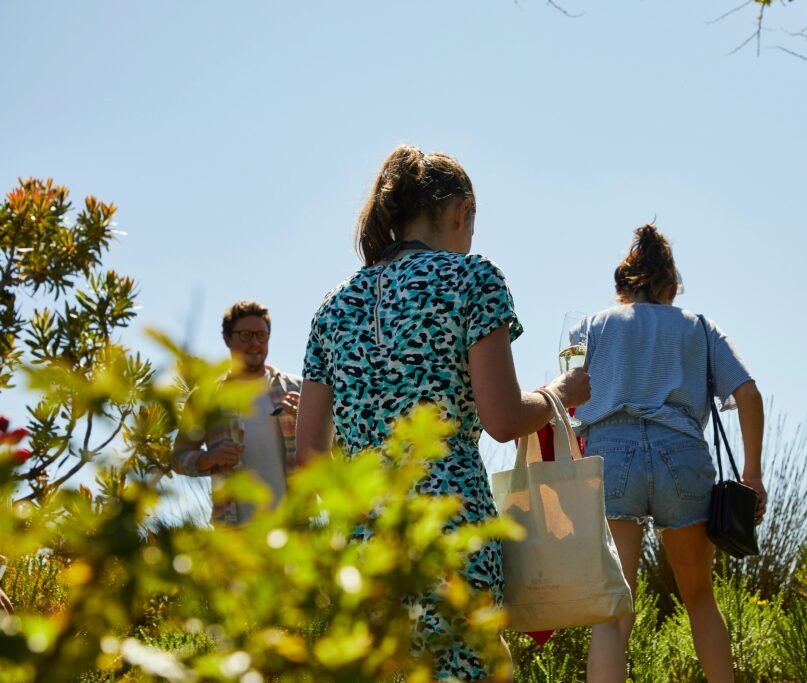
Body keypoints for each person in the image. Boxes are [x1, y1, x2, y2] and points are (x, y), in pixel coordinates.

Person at [295, 144, 590, 682]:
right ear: (462, 213)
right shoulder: (472, 279)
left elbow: (310, 457)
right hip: (453, 534)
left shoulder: (332, 308)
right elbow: (501, 418)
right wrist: (557, 395)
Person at [575, 224, 766, 683]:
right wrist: (752, 475)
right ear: (670, 286)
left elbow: (568, 398)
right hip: (680, 456)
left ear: (623, 287)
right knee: (699, 597)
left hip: (610, 457)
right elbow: (749, 393)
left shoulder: (594, 326)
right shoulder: (698, 326)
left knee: (613, 610)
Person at [172, 301, 302, 526]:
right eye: (245, 335)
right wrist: (208, 459)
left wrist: (306, 422)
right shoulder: (206, 397)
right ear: (227, 338)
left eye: (262, 336)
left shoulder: (297, 389)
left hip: (295, 529)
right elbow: (177, 459)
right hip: (235, 536)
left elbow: (332, 449)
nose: (255, 343)